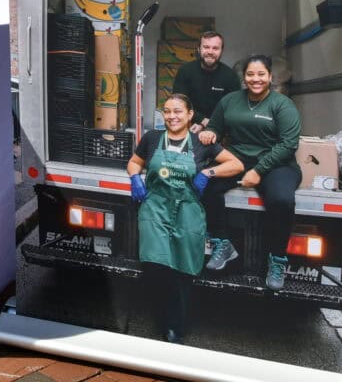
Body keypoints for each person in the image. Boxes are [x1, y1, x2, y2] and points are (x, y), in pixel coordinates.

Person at [127, 93, 242, 343]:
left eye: (178, 111)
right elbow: (135, 162)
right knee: (157, 264)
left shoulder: (201, 142)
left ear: (190, 115)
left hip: (188, 210)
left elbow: (236, 165)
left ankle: (175, 326)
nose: (172, 116)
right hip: (155, 208)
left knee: (183, 268)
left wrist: (209, 172)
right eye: (167, 111)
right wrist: (135, 177)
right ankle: (162, 318)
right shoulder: (152, 138)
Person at [197, 54, 302, 293]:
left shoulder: (282, 104)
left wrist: (258, 170)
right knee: (207, 182)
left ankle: (277, 260)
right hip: (238, 159)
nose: (256, 79)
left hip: (277, 163)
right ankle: (222, 243)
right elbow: (215, 125)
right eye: (250, 74)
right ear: (244, 77)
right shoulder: (230, 100)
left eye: (261, 74)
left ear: (270, 76)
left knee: (282, 200)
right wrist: (210, 133)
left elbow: (288, 144)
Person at [172, 31, 239, 128]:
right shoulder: (185, 71)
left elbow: (233, 109)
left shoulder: (230, 76)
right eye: (206, 47)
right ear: (199, 49)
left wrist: (211, 125)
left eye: (215, 48)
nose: (210, 52)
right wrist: (202, 121)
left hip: (220, 127)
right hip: (189, 124)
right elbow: (179, 103)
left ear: (221, 50)